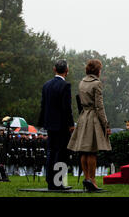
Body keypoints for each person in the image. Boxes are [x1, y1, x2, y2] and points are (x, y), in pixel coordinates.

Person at [67, 59, 111, 192]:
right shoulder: (97, 84)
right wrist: (106, 124)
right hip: (93, 118)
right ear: (97, 70)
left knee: (83, 152)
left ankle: (87, 178)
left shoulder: (81, 83)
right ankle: (92, 180)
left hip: (83, 116)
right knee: (92, 152)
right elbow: (99, 106)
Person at [38, 59, 75, 191]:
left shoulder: (46, 85)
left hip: (49, 124)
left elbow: (43, 105)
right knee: (62, 153)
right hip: (62, 125)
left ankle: (50, 181)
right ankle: (58, 182)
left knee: (51, 152)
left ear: (54, 69)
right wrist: (71, 124)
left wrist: (42, 122)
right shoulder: (65, 86)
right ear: (67, 71)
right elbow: (67, 108)